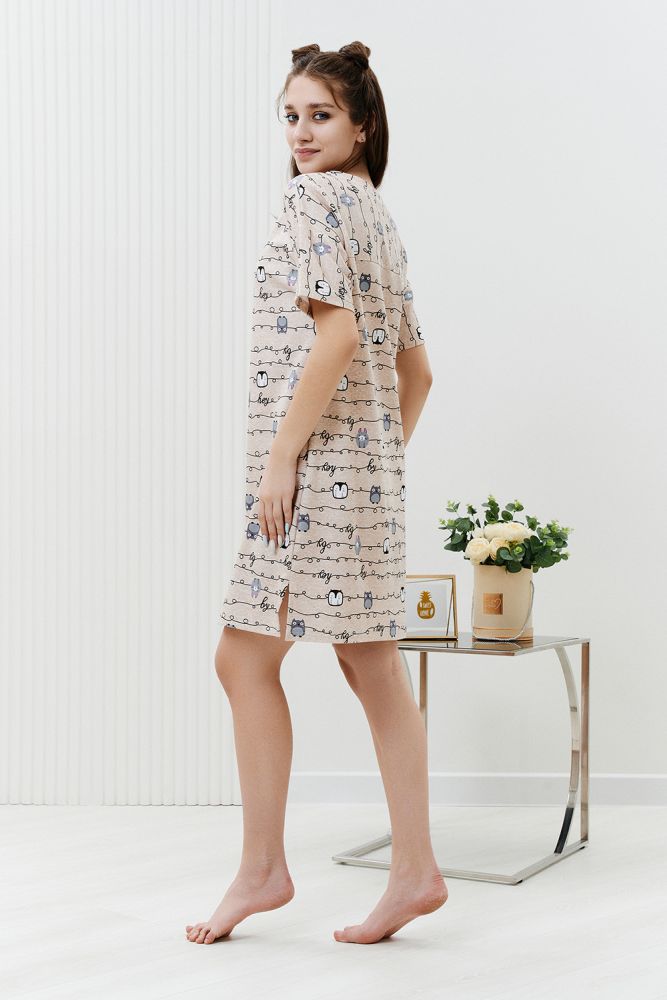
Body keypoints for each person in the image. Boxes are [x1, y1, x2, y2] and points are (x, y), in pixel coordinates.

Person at [186, 41, 445, 947]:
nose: (300, 133)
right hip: (363, 484)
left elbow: (334, 340)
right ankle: (413, 870)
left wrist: (285, 461)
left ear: (362, 123)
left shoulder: (312, 200)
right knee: (371, 665)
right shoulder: (376, 214)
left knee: (242, 658)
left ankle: (264, 869)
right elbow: (416, 374)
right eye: (290, 116)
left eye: (320, 115)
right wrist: (372, 470)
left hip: (307, 478)